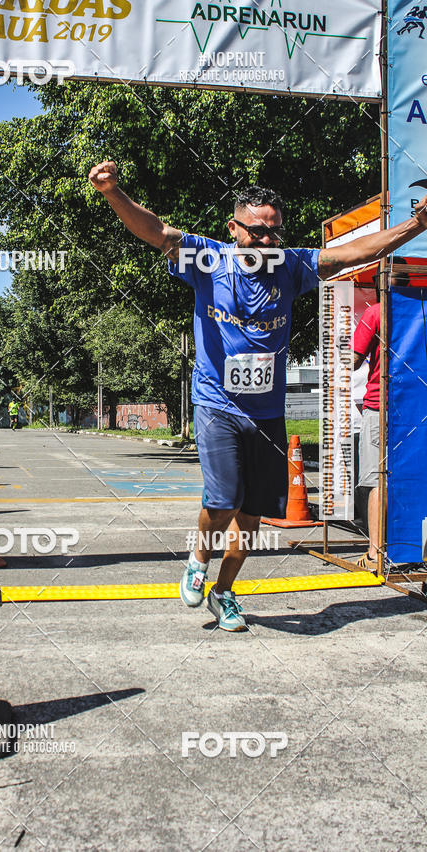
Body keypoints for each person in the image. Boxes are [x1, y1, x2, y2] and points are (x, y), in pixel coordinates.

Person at [89, 159, 427, 632]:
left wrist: (417, 225)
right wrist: (112, 193)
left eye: (275, 232)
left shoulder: (290, 266)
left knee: (252, 517)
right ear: (233, 229)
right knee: (223, 501)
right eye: (258, 231)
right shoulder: (207, 260)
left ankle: (224, 591)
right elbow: (158, 232)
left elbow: (350, 253)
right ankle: (198, 559)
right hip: (216, 405)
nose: (268, 241)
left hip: (266, 414)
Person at [353, 259, 410, 570]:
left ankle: (376, 552)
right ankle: (408, 546)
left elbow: (353, 360)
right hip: (412, 407)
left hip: (379, 406)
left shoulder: (375, 312)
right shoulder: (417, 311)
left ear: (379, 283)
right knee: (408, 476)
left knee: (378, 480)